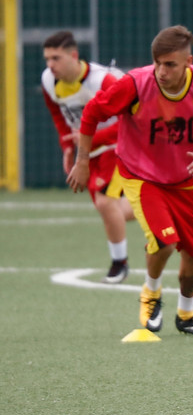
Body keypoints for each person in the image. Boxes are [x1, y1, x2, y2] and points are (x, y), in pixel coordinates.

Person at [67, 25, 193, 336]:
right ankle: (151, 294)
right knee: (165, 241)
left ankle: (186, 315)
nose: (161, 70)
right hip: (141, 177)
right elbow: (92, 112)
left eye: (169, 64)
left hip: (184, 182)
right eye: (157, 62)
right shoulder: (135, 83)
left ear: (188, 62)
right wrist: (82, 162)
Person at [41, 31, 134, 283]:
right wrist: (67, 145)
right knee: (110, 209)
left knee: (105, 203)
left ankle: (120, 263)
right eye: (47, 59)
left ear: (74, 56)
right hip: (89, 149)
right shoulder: (49, 81)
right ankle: (161, 205)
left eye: (56, 58)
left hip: (118, 145)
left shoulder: (102, 81)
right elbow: (56, 111)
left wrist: (89, 139)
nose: (50, 65)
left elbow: (132, 120)